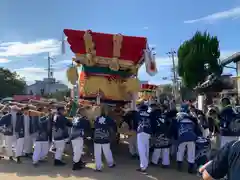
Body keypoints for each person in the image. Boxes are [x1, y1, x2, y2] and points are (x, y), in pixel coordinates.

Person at [173, 104, 202, 173]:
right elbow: (197, 130)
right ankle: (190, 168)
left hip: (182, 137)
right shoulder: (192, 120)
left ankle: (179, 166)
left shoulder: (178, 120)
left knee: (180, 151)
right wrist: (198, 135)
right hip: (192, 138)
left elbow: (175, 129)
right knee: (191, 153)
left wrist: (175, 137)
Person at [93, 105, 117, 171]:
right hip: (105, 137)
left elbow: (95, 126)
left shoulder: (97, 118)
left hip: (97, 137)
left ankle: (98, 167)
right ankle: (110, 164)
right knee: (107, 151)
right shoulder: (109, 119)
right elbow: (114, 126)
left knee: (97, 153)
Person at [136, 104, 153, 172]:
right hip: (148, 131)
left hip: (140, 131)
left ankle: (143, 166)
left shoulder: (138, 113)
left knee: (141, 149)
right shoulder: (150, 114)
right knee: (146, 148)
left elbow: (135, 122)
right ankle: (146, 163)